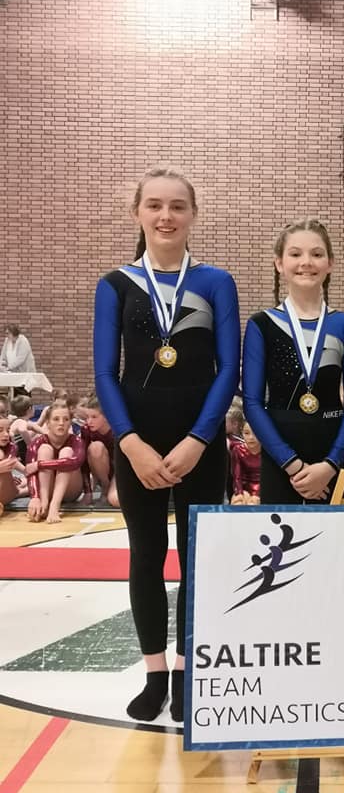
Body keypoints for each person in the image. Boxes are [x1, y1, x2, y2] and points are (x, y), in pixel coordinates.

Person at [94, 166, 241, 723]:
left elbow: (229, 368)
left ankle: (186, 669)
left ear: (193, 215)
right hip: (139, 441)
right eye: (154, 205)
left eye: (177, 206)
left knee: (197, 559)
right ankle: (154, 672)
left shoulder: (215, 282)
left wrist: (200, 438)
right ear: (137, 212)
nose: (166, 216)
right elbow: (106, 373)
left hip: (198, 441)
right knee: (146, 555)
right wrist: (130, 443)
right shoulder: (115, 285)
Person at [242, 219, 344, 504]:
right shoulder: (262, 325)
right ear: (279, 263)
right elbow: (252, 403)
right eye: (295, 254)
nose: (306, 262)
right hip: (280, 457)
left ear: (330, 263)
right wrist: (292, 465)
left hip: (331, 453)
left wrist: (331, 464)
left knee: (333, 534)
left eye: (317, 254)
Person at [25, 402, 89, 523]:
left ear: (70, 423)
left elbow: (75, 462)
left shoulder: (76, 441)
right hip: (47, 490)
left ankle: (55, 505)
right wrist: (35, 497)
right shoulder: (37, 443)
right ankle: (44, 503)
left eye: (66, 419)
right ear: (48, 423)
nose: (61, 423)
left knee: (66, 451)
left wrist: (40, 464)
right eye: (56, 419)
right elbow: (30, 471)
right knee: (45, 449)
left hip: (70, 490)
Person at [82, 395, 119, 507]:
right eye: (87, 417)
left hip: (119, 470)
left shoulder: (117, 428)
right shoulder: (86, 430)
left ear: (106, 416)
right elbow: (83, 461)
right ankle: (105, 486)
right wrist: (87, 491)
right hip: (101, 471)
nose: (89, 421)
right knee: (96, 447)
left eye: (94, 417)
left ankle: (112, 488)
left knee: (115, 500)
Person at [229, 418, 261, 504]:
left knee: (253, 504)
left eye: (256, 433)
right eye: (246, 433)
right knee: (238, 503)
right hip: (244, 488)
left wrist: (258, 494)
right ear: (242, 433)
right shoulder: (237, 449)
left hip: (263, 488)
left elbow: (269, 477)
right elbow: (237, 476)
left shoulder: (267, 450)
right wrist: (239, 493)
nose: (251, 437)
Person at [0, 416, 25, 516]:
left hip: (9, 493)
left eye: (8, 430)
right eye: (0, 430)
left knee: (26, 480)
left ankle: (23, 489)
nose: (6, 434)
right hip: (10, 493)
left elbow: (25, 470)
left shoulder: (8, 449)